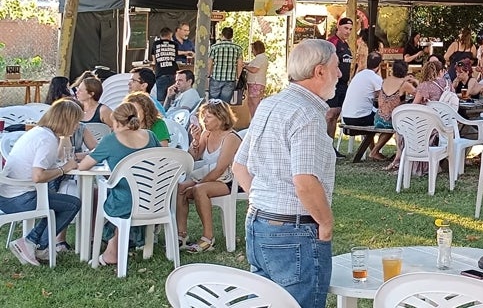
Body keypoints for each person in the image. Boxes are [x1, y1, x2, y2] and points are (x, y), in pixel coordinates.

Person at [233, 38, 339, 308]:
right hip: (294, 230)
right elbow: (304, 181)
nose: (339, 75)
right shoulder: (307, 114)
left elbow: (240, 166)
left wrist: (263, 200)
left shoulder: (270, 104)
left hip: (259, 223)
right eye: (336, 67)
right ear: (320, 71)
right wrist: (325, 224)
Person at [77, 100, 161, 267]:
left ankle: (109, 250)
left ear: (116, 122)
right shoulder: (150, 136)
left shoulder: (111, 140)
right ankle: (116, 248)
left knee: (109, 193)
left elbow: (84, 166)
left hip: (124, 203)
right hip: (153, 200)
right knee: (123, 192)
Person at [1, 100, 84, 265]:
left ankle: (36, 245)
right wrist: (64, 169)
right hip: (20, 198)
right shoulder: (47, 140)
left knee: (57, 203)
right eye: (75, 122)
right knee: (72, 204)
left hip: (7, 194)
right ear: (66, 120)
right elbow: (38, 176)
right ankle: (33, 243)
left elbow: (56, 158)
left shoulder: (40, 133)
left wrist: (65, 149)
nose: (77, 126)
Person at [176, 100, 240, 253]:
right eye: (203, 116)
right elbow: (193, 158)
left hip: (228, 179)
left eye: (208, 117)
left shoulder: (231, 137)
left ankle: (208, 238)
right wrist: (196, 141)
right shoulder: (207, 133)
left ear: (221, 118)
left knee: (199, 190)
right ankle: (181, 234)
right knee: (180, 187)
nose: (204, 120)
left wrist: (196, 185)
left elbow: (220, 169)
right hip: (208, 175)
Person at [370, 61, 418, 162]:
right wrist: (416, 82)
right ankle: (378, 151)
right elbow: (419, 94)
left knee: (390, 121)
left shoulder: (385, 80)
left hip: (378, 118)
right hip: (392, 121)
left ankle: (376, 151)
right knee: (406, 123)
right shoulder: (404, 84)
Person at [324, 19, 352, 142]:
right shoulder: (332, 43)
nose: (348, 31)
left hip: (343, 84)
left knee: (336, 114)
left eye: (350, 29)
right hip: (332, 83)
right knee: (330, 114)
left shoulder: (346, 45)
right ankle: (324, 143)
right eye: (346, 28)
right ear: (338, 27)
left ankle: (331, 144)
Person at [340, 53, 384, 131]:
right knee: (388, 121)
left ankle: (369, 143)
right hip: (361, 118)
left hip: (346, 117)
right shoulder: (375, 78)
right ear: (379, 65)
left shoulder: (358, 75)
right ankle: (378, 144)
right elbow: (384, 96)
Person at [210, 26, 245, 104]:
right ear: (232, 36)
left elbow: (210, 62)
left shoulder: (214, 47)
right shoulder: (238, 48)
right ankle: (223, 116)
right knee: (225, 104)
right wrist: (237, 77)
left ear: (222, 35)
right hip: (230, 79)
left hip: (216, 77)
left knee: (212, 103)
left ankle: (212, 115)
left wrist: (209, 75)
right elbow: (240, 64)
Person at [151, 27, 179, 103]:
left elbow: (154, 60)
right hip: (173, 73)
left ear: (161, 35)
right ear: (170, 35)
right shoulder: (174, 44)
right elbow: (175, 57)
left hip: (161, 73)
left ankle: (161, 113)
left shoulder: (155, 44)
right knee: (172, 98)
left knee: (160, 100)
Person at [245, 41, 270, 117]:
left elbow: (254, 69)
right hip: (254, 82)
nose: (252, 51)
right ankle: (253, 118)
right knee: (251, 102)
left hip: (256, 83)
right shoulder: (259, 58)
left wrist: (244, 66)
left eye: (253, 49)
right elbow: (251, 64)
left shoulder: (261, 58)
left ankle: (255, 119)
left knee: (255, 102)